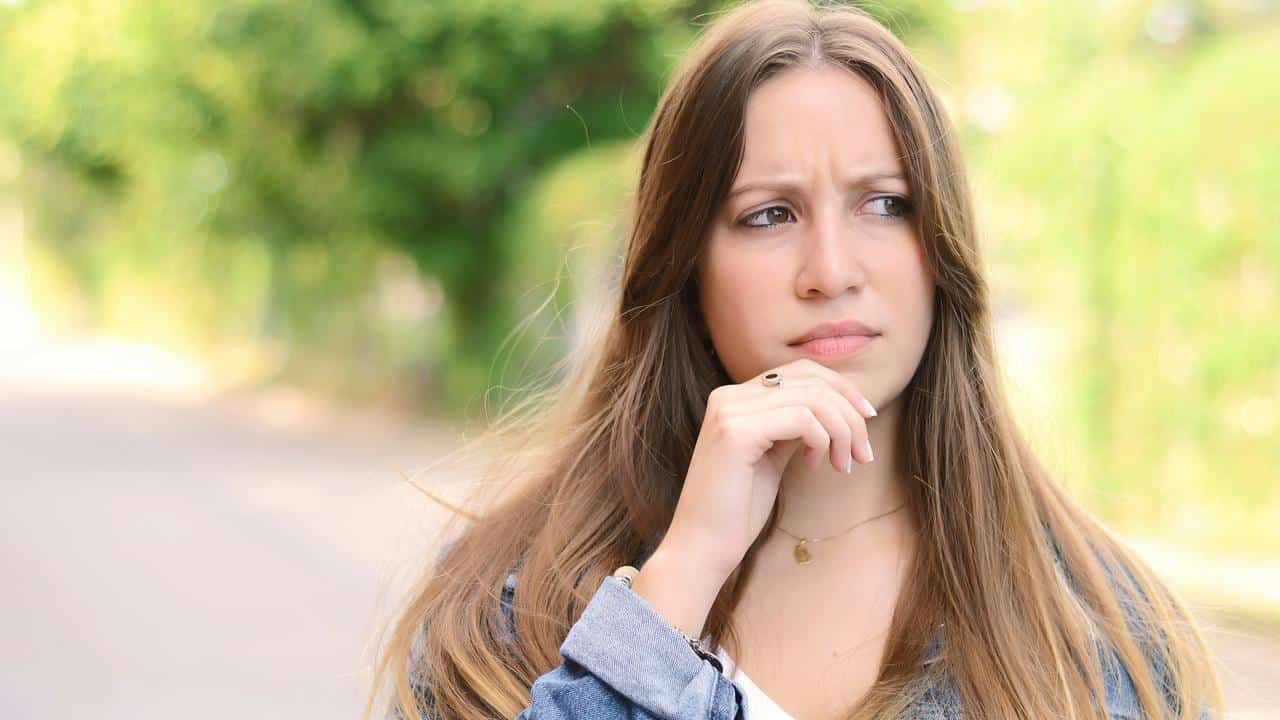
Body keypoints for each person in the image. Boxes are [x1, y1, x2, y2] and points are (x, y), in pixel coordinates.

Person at [366, 1, 1224, 718]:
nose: (832, 272)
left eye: (886, 204)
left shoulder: (1103, 633)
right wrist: (675, 584)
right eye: (769, 215)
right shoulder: (506, 606)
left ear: (943, 250)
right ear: (683, 264)